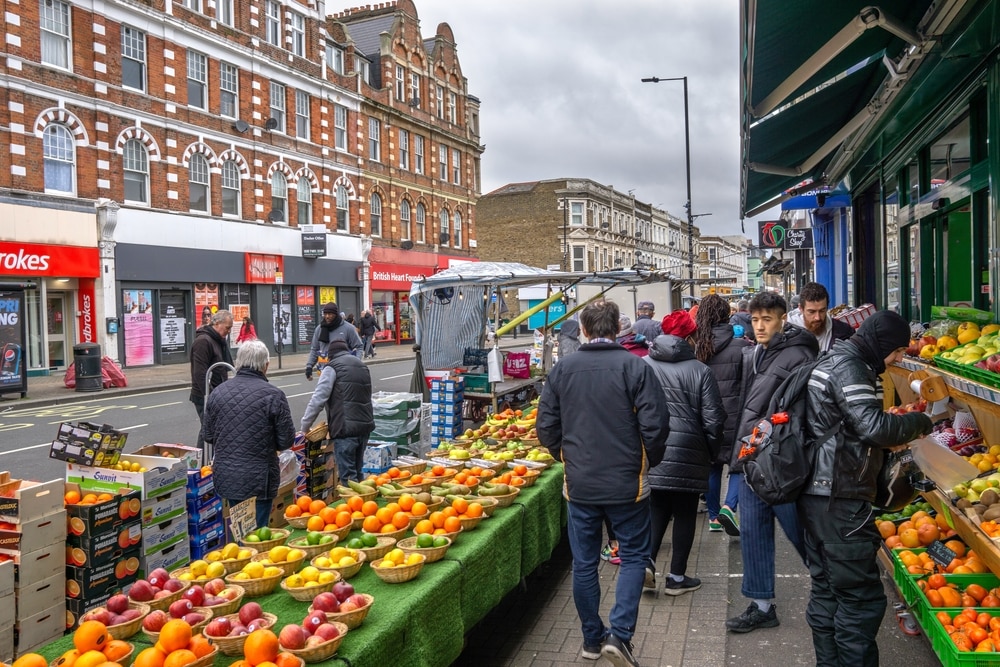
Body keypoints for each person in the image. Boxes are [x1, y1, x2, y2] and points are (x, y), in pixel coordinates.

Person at [536, 299, 670, 666]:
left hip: (579, 484)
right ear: (617, 329)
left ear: (583, 330)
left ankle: (591, 640)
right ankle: (620, 634)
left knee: (584, 563)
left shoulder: (563, 369)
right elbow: (656, 425)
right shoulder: (635, 367)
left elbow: (546, 427)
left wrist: (565, 456)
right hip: (627, 482)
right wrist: (648, 460)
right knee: (633, 557)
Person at [800, 311, 932, 665]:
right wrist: (922, 420)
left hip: (817, 496)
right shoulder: (851, 366)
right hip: (839, 498)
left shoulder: (836, 359)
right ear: (882, 344)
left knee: (828, 591)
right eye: (898, 351)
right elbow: (873, 427)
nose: (899, 359)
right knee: (860, 601)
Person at [726, 292, 818, 634]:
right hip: (754, 459)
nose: (760, 325)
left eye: (767, 319)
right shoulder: (757, 353)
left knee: (801, 533)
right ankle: (762, 605)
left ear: (783, 319)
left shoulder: (799, 354)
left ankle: (832, 590)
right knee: (753, 533)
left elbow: (801, 412)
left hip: (782, 463)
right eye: (755, 319)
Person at [643, 310, 725, 596]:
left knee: (656, 507)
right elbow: (714, 420)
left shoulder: (643, 366)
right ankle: (676, 577)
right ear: (690, 336)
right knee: (686, 513)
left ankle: (648, 562)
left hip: (652, 450)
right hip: (690, 452)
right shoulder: (700, 371)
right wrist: (711, 453)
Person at [201, 340, 295, 530]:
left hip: (227, 476)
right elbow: (286, 440)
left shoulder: (217, 393)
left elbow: (208, 435)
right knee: (257, 536)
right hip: (260, 478)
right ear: (265, 365)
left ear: (237, 363)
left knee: (241, 530)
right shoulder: (273, 395)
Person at [692, 294, 751, 535]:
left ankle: (714, 517)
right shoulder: (743, 346)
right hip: (736, 416)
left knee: (712, 467)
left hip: (707, 417)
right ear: (727, 316)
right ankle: (730, 507)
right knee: (739, 464)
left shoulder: (696, 347)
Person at [300, 339, 376, 485]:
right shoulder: (362, 366)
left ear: (330, 355)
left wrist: (304, 427)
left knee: (348, 477)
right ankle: (365, 504)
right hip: (364, 427)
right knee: (358, 472)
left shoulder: (332, 367)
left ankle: (353, 506)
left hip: (345, 430)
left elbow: (318, 400)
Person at [190, 309, 234, 449]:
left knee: (213, 428)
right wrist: (210, 396)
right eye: (227, 327)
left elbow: (224, 367)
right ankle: (200, 463)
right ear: (217, 323)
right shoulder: (203, 341)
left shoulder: (218, 340)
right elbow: (199, 374)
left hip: (217, 393)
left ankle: (207, 461)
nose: (229, 331)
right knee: (208, 428)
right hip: (205, 395)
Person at [788, 282, 855, 352]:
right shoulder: (786, 335)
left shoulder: (844, 331)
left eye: (822, 311)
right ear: (801, 309)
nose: (818, 317)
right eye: (812, 312)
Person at [306, 302, 363, 379]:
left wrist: (355, 362)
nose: (327, 316)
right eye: (325, 314)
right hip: (325, 370)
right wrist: (309, 366)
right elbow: (315, 349)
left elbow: (359, 346)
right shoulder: (319, 329)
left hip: (343, 370)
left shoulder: (348, 328)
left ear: (336, 314)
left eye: (330, 314)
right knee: (323, 390)